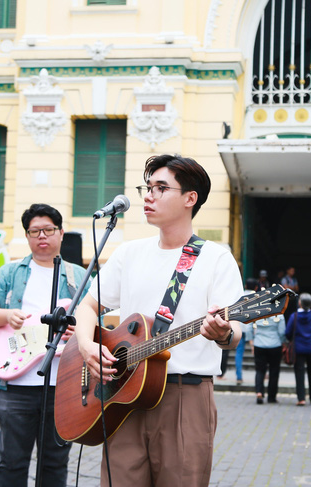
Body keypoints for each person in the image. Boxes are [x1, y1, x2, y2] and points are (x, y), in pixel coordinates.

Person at [74, 154, 244, 487]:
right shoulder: (129, 252)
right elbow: (87, 306)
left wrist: (222, 334)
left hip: (185, 396)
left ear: (189, 199)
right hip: (122, 394)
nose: (149, 196)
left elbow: (235, 330)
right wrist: (86, 346)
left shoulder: (216, 258)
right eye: (147, 187)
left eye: (161, 188)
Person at [0, 203, 91, 486]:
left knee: (55, 463)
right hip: (14, 385)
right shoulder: (10, 273)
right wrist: (7, 315)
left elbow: (97, 323)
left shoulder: (80, 276)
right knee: (12, 462)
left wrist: (78, 331)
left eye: (48, 230)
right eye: (34, 231)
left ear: (61, 233)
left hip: (63, 385)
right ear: (27, 236)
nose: (42, 236)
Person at [246, 298, 285, 404]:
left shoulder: (257, 312)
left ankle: (259, 392)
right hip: (275, 344)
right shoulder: (278, 314)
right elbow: (282, 331)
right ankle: (271, 397)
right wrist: (281, 342)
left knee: (259, 370)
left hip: (259, 343)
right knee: (274, 371)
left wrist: (251, 343)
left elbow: (248, 328)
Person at [286, 293, 311, 406]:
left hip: (298, 348)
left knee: (299, 373)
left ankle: (301, 398)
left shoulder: (294, 316)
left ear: (300, 303)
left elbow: (288, 332)